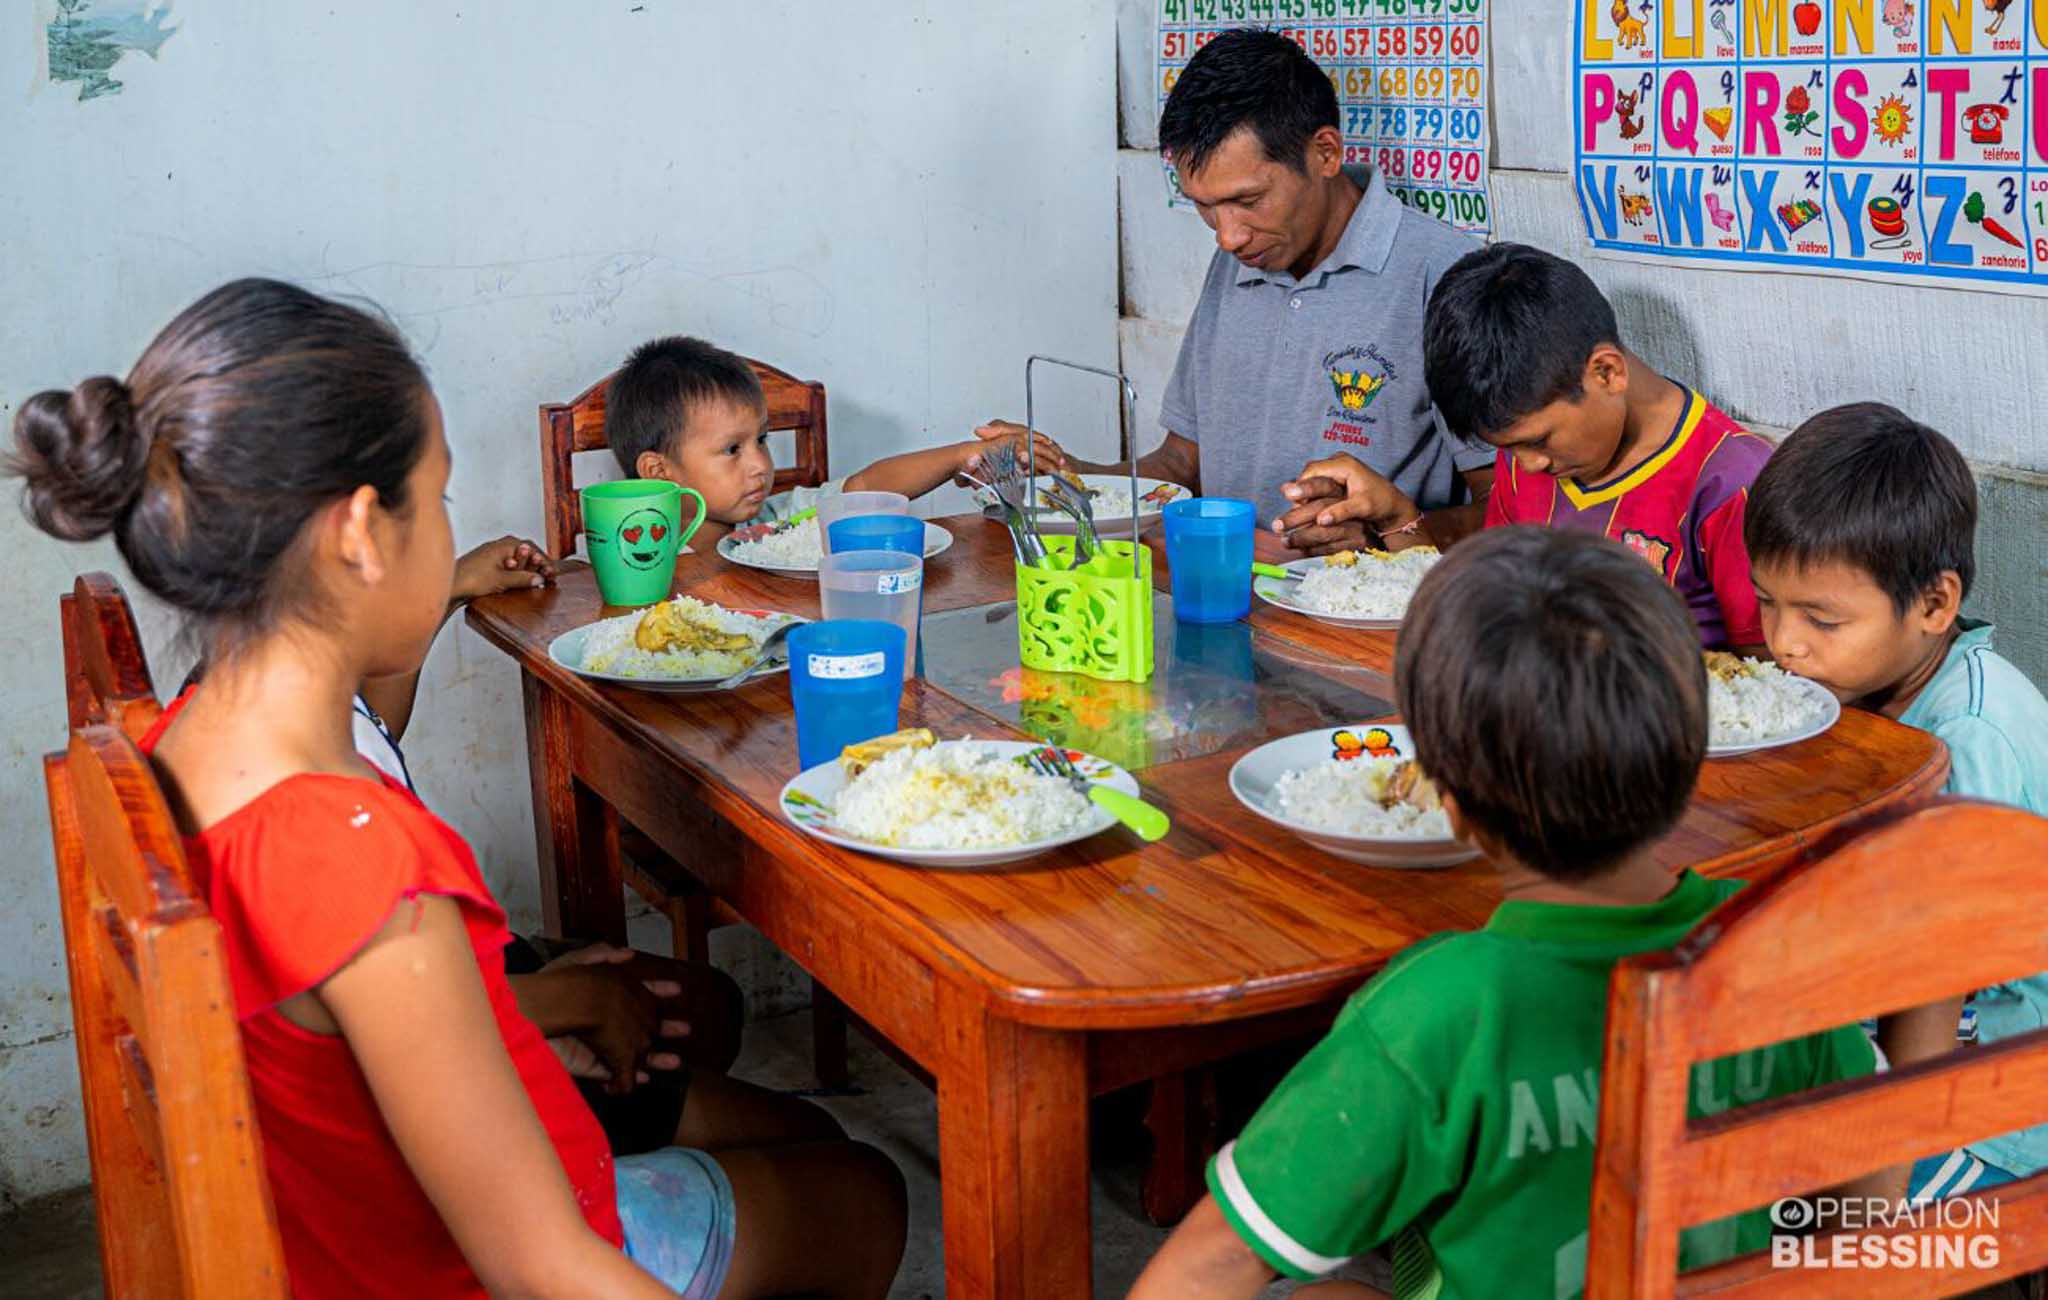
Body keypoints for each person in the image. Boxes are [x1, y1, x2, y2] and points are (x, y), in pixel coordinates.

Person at [11, 278, 906, 1299]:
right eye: (435, 500)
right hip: (432, 1261)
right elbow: (543, 1269)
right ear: (358, 533)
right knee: (864, 1190)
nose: (447, 534)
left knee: (764, 1110)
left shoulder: (183, 745)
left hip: (348, 1214)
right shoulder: (364, 862)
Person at [1128, 527, 1885, 1300]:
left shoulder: (1441, 1008)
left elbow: (1214, 1261)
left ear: (1445, 799)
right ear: (1693, 749)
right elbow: (1870, 1191)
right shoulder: (1778, 943)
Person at [346, 538, 856, 1158]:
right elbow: (379, 1020)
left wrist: (452, 586)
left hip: (469, 990)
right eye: (433, 506)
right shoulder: (302, 809)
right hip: (456, 1080)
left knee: (712, 1006)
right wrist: (560, 1002)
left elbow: (372, 724)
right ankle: (647, 1171)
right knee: (844, 1165)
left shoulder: (292, 702)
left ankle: (667, 1139)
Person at [975, 27, 1492, 555]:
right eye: (1205, 206)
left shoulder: (1443, 275)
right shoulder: (1241, 258)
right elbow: (1180, 466)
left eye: (1248, 200)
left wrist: (1391, 530)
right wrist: (1062, 478)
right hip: (1228, 599)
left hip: (1360, 619)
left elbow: (1511, 505)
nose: (1227, 235)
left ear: (1326, 153)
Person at [1746, 401, 2048, 1200]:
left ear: (1934, 605)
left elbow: (1940, 982)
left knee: (1763, 1199)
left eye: (1821, 618)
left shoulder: (1968, 737)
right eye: (1768, 602)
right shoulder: (1860, 695)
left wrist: (1877, 1164)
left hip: (2005, 1098)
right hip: (1906, 1015)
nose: (1784, 642)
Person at [1293, 243, 1772, 653]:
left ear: (1606, 372)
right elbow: (1494, 608)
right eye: (1509, 449)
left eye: (1538, 441)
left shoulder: (1730, 482)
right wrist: (1398, 520)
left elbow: (1763, 680)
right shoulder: (1527, 456)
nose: (1528, 465)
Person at [607, 335, 1062, 549]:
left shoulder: (781, 521)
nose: (760, 465)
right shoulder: (625, 557)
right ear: (659, 473)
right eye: (732, 450)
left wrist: (964, 455)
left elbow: (866, 488)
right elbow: (564, 592)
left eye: (761, 440)